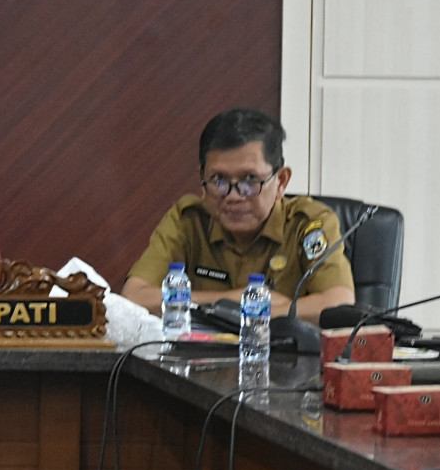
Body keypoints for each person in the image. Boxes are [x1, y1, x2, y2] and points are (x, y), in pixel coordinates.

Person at [121, 108, 354, 324]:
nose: (233, 196)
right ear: (203, 180)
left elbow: (338, 304)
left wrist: (258, 311)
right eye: (219, 180)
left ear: (281, 181)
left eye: (250, 180)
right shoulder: (188, 221)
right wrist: (234, 301)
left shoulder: (308, 224)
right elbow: (133, 297)